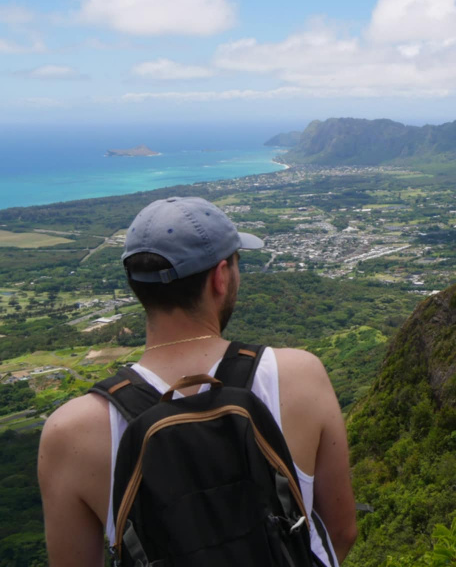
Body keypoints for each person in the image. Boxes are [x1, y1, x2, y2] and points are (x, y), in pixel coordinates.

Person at [37, 196, 358, 566]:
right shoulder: (299, 376)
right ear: (220, 277)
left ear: (135, 284)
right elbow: (340, 533)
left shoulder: (70, 432)